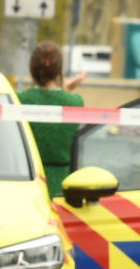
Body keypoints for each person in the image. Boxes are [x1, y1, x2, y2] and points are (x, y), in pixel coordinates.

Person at [17, 42, 88, 198]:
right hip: (62, 186)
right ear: (59, 70)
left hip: (26, 181)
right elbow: (57, 103)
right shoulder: (75, 103)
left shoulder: (18, 101)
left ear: (31, 68)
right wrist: (67, 90)